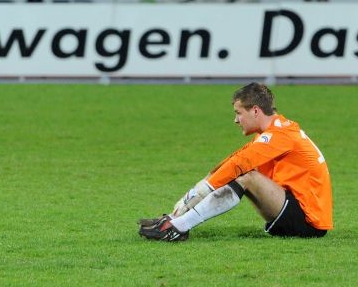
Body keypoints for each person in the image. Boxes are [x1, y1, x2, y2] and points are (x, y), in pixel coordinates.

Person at [138, 83, 333, 242]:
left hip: (308, 222)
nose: (236, 120)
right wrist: (189, 198)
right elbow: (234, 160)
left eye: (238, 113)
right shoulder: (274, 132)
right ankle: (175, 220)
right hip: (293, 208)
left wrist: (202, 190)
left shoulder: (280, 135)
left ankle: (179, 227)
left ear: (255, 111)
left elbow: (239, 164)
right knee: (236, 171)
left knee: (246, 176)